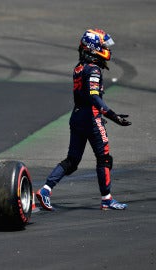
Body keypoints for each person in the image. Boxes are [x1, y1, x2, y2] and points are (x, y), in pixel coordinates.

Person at [36, 28, 132, 211]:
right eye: (103, 45)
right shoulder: (94, 69)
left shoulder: (79, 67)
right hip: (91, 118)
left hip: (77, 116)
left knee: (72, 160)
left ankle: (45, 190)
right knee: (104, 158)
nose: (107, 49)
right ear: (94, 47)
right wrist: (114, 116)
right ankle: (107, 199)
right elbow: (94, 97)